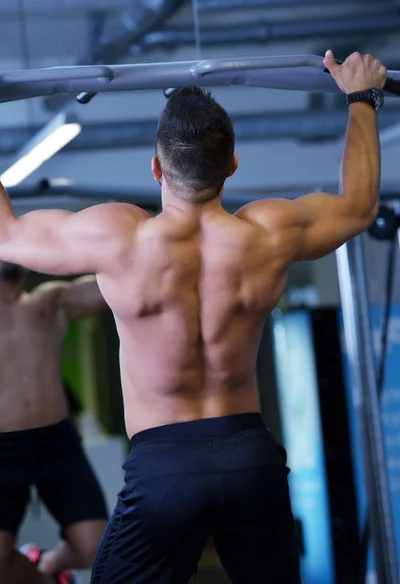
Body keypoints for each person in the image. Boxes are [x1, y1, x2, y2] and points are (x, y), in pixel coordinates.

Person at [0, 50, 386, 583]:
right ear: (232, 164)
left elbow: (6, 234)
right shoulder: (269, 233)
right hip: (251, 457)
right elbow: (360, 205)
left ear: (156, 167)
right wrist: (362, 98)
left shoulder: (119, 237)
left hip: (165, 468)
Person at [0, 265, 109, 584]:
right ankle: (45, 578)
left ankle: (48, 563)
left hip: (55, 443)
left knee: (96, 549)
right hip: (1, 451)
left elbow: (115, 282)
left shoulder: (50, 300)